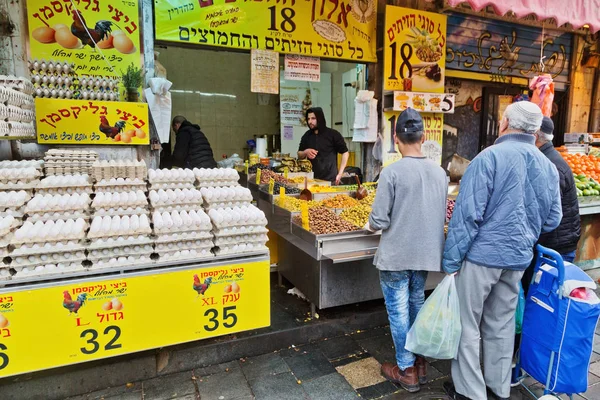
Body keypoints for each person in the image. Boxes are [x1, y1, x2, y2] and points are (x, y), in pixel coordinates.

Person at [442, 102, 563, 400]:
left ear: (506, 123)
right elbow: (553, 219)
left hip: (482, 257)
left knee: (467, 325)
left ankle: (470, 392)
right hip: (518, 258)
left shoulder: (488, 158)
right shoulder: (547, 166)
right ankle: (498, 389)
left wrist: (451, 261)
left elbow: (467, 215)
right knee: (501, 323)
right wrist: (525, 230)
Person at [366, 108, 447, 393]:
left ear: (396, 140)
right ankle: (420, 361)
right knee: (417, 305)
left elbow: (378, 220)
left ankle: (406, 369)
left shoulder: (392, 172)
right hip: (426, 254)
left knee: (398, 311)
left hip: (397, 255)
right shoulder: (440, 173)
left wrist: (369, 224)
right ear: (423, 137)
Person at [298, 107, 349, 184]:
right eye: (308, 119)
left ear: (320, 118)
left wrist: (340, 173)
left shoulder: (333, 134)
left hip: (330, 180)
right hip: (311, 180)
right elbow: (299, 154)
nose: (310, 122)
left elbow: (345, 153)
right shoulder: (306, 136)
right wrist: (305, 152)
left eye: (313, 118)